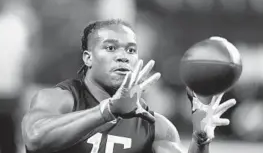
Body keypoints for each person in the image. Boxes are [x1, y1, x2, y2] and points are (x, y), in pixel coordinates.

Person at [21, 19, 236, 153]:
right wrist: (107, 111)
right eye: (111, 48)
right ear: (88, 58)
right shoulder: (60, 99)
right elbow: (35, 139)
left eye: (131, 50)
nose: (123, 57)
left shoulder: (154, 127)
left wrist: (200, 142)